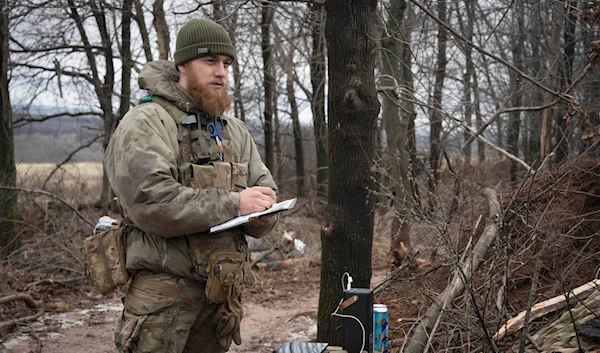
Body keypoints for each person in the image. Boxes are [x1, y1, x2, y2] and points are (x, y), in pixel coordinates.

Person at [105, 18, 278, 353]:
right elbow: (150, 203)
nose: (221, 73)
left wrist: (264, 215)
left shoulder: (233, 130)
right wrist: (234, 204)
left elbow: (264, 188)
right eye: (210, 61)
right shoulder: (147, 122)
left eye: (226, 63)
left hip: (219, 302)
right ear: (182, 64)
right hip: (161, 306)